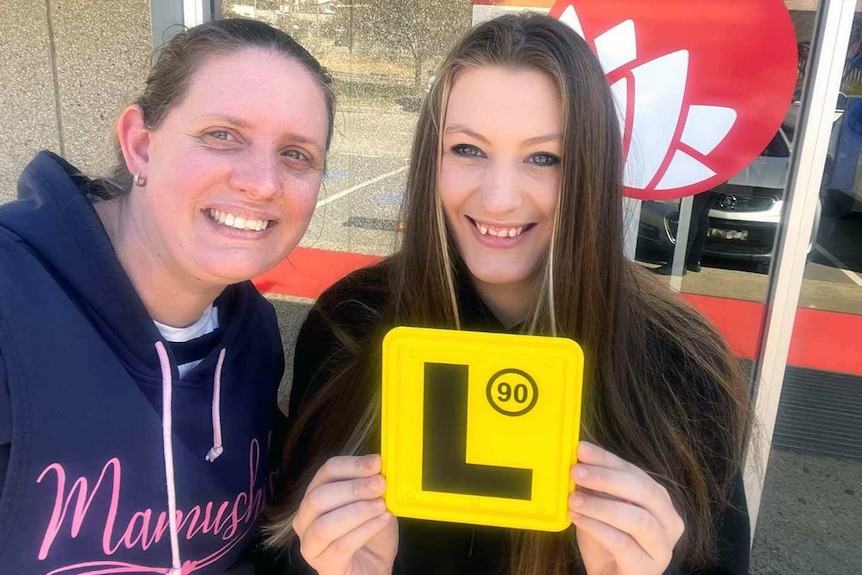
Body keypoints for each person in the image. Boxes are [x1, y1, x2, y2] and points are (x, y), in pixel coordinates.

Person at [265, 13, 751, 575]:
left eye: (545, 158)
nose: (497, 198)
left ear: (590, 172)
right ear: (431, 159)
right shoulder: (348, 323)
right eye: (468, 149)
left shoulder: (683, 362)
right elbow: (277, 543)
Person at [0, 18, 333, 575]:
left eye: (297, 154)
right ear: (140, 145)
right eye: (223, 135)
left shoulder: (251, 333)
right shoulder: (12, 301)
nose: (263, 182)